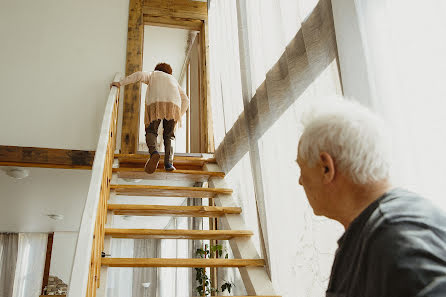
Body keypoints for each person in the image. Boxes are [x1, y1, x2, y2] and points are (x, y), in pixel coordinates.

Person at [296, 96, 446, 297]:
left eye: (301, 167)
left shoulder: (396, 234)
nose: (300, 181)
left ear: (326, 167)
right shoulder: (369, 232)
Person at [111, 63, 189, 173]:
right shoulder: (173, 80)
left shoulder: (153, 74)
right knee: (169, 135)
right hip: (173, 105)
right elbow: (186, 100)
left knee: (151, 131)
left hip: (155, 103)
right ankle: (169, 163)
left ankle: (154, 153)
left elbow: (138, 75)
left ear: (157, 69)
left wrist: (120, 83)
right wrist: (178, 115)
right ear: (169, 72)